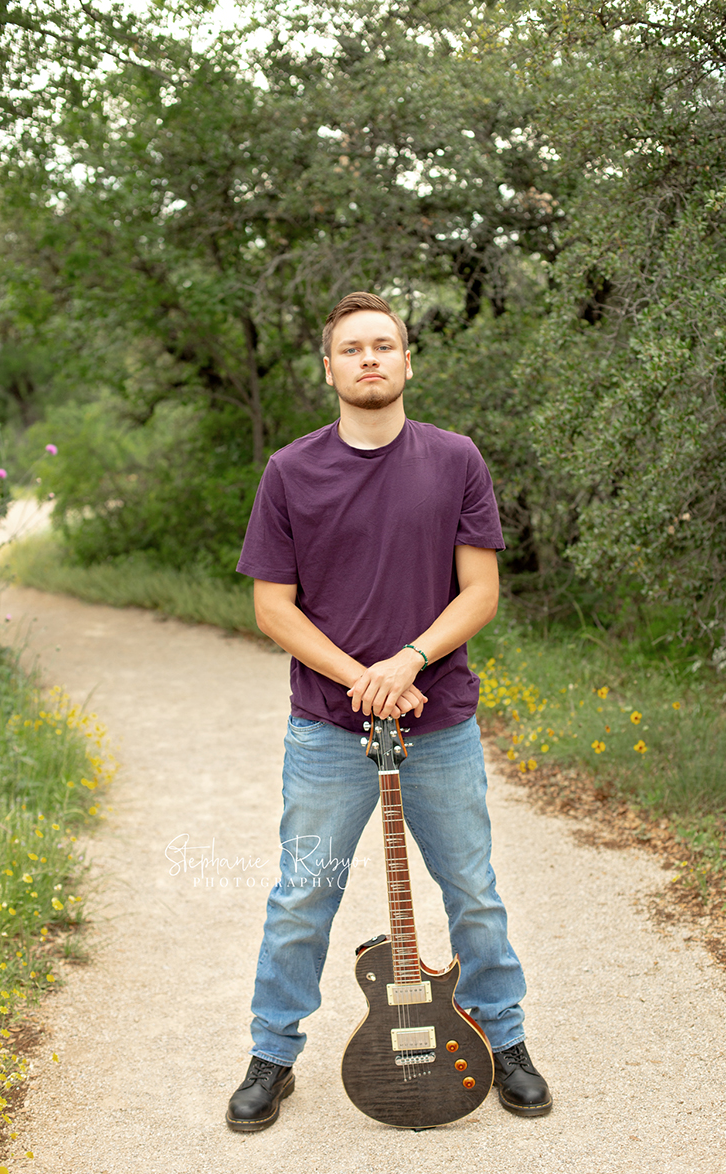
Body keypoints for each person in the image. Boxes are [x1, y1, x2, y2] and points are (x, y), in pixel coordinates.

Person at [226, 291, 552, 1131]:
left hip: (438, 720)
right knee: (304, 894)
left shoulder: (455, 460)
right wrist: (360, 680)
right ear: (328, 368)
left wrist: (408, 659)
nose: (369, 359)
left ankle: (502, 1039)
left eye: (384, 345)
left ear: (408, 362)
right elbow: (274, 607)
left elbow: (479, 592)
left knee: (472, 891)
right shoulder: (290, 472)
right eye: (352, 349)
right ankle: (272, 1053)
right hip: (328, 731)